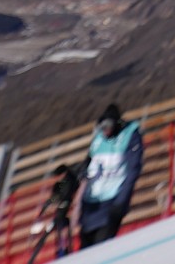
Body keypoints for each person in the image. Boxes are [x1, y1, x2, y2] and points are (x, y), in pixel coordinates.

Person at [76, 104, 143, 249]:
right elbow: (89, 159)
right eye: (102, 127)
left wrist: (121, 201)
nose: (105, 130)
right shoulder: (99, 138)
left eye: (108, 126)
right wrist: (81, 171)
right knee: (85, 249)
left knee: (100, 248)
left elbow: (133, 169)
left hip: (111, 202)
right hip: (91, 204)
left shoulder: (129, 135)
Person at [28, 164, 79, 262]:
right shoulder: (62, 183)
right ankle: (62, 250)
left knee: (59, 232)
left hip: (63, 213)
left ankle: (64, 251)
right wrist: (45, 207)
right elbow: (55, 196)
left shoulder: (68, 181)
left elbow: (61, 196)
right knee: (57, 233)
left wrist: (50, 205)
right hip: (60, 213)